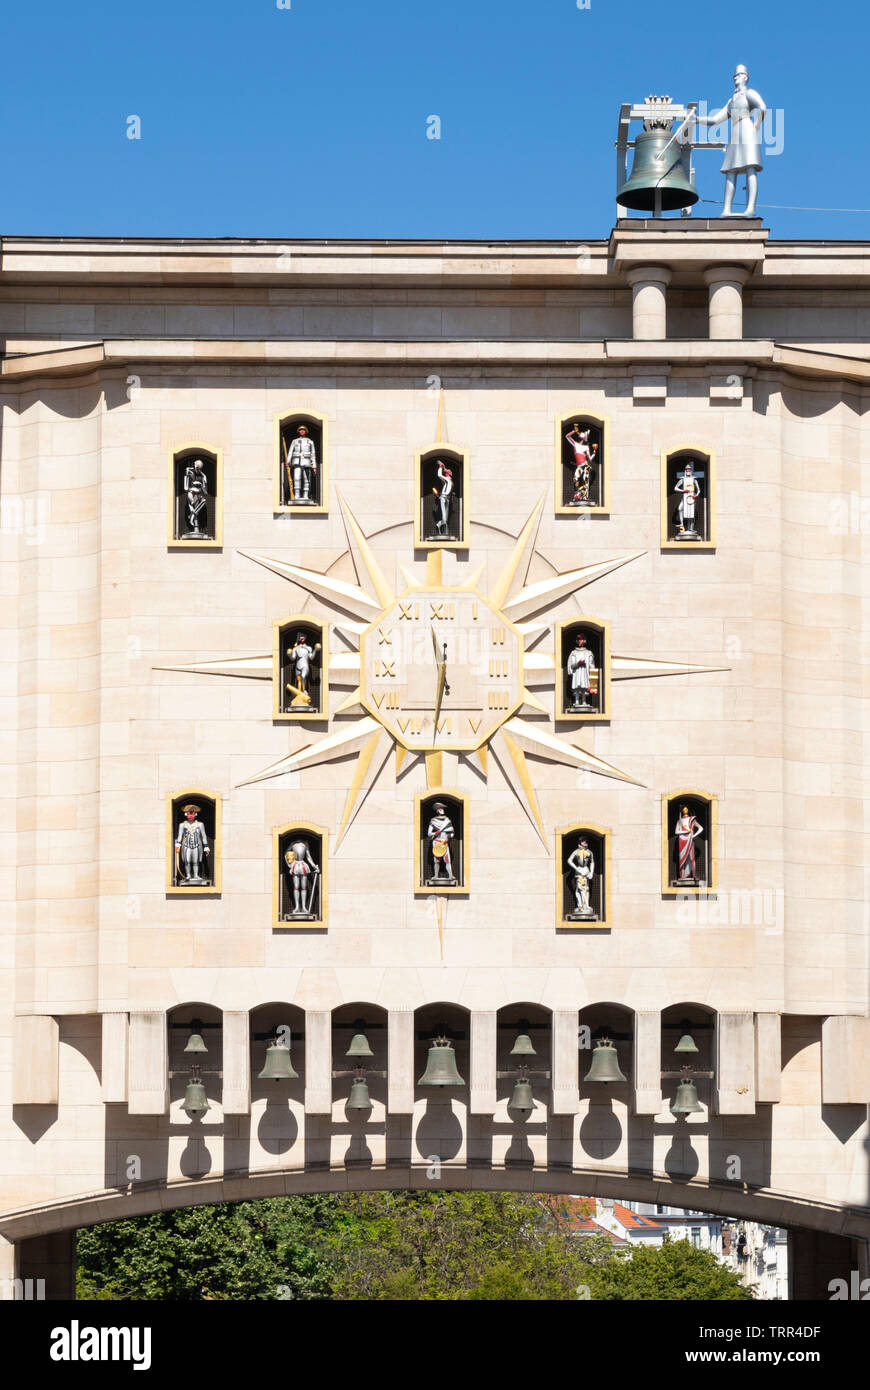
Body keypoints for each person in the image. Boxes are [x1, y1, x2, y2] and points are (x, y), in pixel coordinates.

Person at [694, 65, 766, 217]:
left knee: (750, 167)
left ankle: (750, 208)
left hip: (747, 127)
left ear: (745, 77)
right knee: (730, 170)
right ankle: (726, 209)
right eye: (734, 75)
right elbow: (715, 119)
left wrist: (755, 127)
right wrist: (697, 119)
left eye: (739, 75)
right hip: (735, 132)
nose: (735, 77)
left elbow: (762, 108)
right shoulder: (731, 101)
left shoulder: (749, 93)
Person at [175, 804, 210, 885]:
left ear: (195, 814)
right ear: (186, 814)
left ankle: (196, 875)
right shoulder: (182, 825)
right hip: (186, 846)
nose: (190, 815)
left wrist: (206, 847)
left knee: (196, 861)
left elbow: (204, 836)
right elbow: (180, 836)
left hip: (197, 845)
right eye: (189, 813)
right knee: (187, 861)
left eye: (192, 813)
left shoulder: (200, 824)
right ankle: (188, 876)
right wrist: (178, 845)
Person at [284, 837, 320, 915]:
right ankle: (297, 907)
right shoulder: (292, 843)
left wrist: (314, 866)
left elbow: (308, 857)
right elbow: (286, 853)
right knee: (296, 887)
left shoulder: (305, 844)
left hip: (303, 865)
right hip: (295, 865)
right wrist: (289, 864)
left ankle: (303, 907)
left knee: (303, 887)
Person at [565, 425, 598, 506]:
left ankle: (584, 497)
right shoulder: (575, 444)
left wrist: (594, 452)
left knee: (585, 480)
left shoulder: (586, 447)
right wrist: (574, 430)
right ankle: (578, 495)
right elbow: (567, 436)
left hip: (585, 465)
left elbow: (590, 459)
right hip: (579, 466)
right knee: (575, 479)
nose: (582, 434)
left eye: (584, 434)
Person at [287, 631, 321, 707]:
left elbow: (311, 658)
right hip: (297, 667)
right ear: (299, 639)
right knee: (299, 681)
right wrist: (289, 654)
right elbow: (293, 658)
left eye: (303, 637)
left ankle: (304, 690)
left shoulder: (309, 648)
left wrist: (315, 650)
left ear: (305, 638)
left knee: (303, 676)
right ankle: (300, 695)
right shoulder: (296, 648)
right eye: (300, 637)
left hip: (305, 666)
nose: (302, 638)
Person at [286, 424, 318, 503]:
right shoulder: (295, 441)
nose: (302, 431)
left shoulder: (310, 441)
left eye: (303, 430)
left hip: (306, 462)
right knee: (297, 478)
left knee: (306, 479)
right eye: (300, 430)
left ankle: (305, 495)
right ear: (299, 432)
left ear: (306, 432)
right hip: (297, 462)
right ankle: (296, 494)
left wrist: (314, 466)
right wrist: (288, 461)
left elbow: (313, 454)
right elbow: (290, 452)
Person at [566, 634, 597, 711]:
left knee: (584, 686)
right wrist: (578, 664)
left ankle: (584, 701)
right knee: (577, 687)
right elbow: (571, 665)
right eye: (579, 640)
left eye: (582, 639)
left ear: (585, 641)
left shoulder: (589, 653)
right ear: (577, 641)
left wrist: (593, 678)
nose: (580, 641)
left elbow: (592, 665)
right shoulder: (573, 653)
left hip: (585, 673)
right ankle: (576, 701)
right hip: (577, 673)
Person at [426, 802, 455, 882]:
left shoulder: (447, 820)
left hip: (444, 842)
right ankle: (435, 875)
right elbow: (429, 833)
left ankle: (451, 875)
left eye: (442, 808)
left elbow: (452, 833)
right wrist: (436, 833)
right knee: (436, 860)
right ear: (437, 811)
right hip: (437, 842)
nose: (441, 810)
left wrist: (448, 839)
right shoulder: (433, 821)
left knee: (447, 860)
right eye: (440, 808)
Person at [567, 837, 595, 917]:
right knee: (579, 888)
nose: (585, 842)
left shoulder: (589, 852)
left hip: (586, 871)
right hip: (579, 871)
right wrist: (576, 868)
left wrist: (591, 873)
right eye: (583, 841)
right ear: (580, 842)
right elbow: (569, 860)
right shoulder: (576, 851)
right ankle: (580, 905)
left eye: (586, 841)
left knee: (586, 889)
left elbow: (592, 862)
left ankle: (586, 905)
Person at [674, 805, 704, 882]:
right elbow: (676, 832)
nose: (685, 810)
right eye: (683, 809)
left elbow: (701, 828)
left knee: (691, 857)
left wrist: (693, 835)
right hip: (682, 840)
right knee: (682, 858)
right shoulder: (679, 821)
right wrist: (686, 831)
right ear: (682, 811)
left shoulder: (692, 819)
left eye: (686, 809)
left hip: (690, 840)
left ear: (688, 810)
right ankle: (682, 876)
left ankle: (693, 875)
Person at [182, 459, 209, 537]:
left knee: (203, 501)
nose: (197, 469)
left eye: (199, 468)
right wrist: (191, 484)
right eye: (196, 467)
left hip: (199, 494)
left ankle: (192, 516)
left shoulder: (202, 476)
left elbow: (205, 491)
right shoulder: (189, 474)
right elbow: (186, 488)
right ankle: (193, 517)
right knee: (192, 504)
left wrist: (202, 482)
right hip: (191, 493)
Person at [674, 462, 702, 539]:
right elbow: (675, 488)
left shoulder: (694, 479)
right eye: (687, 470)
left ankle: (691, 528)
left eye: (689, 469)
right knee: (680, 508)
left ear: (691, 471)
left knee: (691, 512)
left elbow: (699, 490)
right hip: (684, 497)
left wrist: (696, 495)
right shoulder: (682, 479)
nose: (688, 471)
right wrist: (683, 490)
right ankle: (682, 524)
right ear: (685, 471)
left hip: (691, 498)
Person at [431, 460, 454, 537]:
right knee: (444, 515)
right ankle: (444, 531)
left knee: (446, 517)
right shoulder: (447, 480)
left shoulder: (449, 481)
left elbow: (449, 490)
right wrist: (441, 467)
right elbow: (439, 475)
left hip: (447, 499)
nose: (448, 471)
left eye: (449, 471)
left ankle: (438, 525)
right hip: (444, 498)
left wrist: (443, 467)